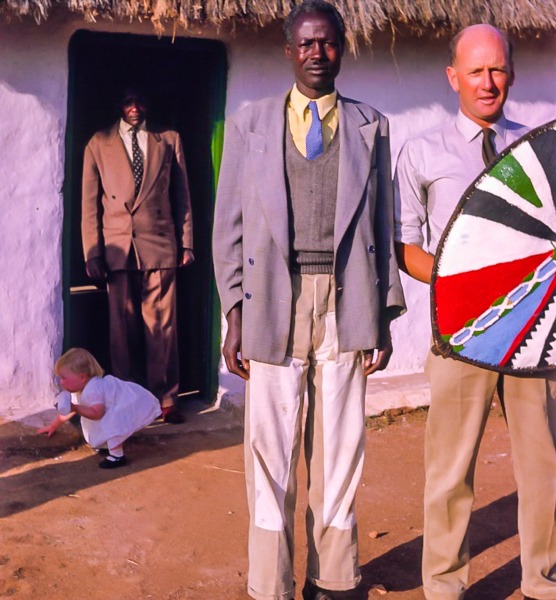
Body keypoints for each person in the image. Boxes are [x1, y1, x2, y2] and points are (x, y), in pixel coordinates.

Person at [212, 2, 405, 598]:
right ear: (289, 51)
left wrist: (384, 316)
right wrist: (234, 313)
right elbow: (230, 228)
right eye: (306, 44)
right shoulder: (252, 124)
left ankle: (335, 576)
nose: (317, 53)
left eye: (327, 43)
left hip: (346, 301)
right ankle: (272, 581)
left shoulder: (370, 125)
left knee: (342, 444)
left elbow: (382, 220)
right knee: (269, 447)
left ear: (343, 47)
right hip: (274, 297)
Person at [394, 24, 556, 600]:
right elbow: (405, 245)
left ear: (510, 74)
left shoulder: (540, 150)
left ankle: (543, 582)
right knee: (449, 470)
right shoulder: (423, 151)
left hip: (532, 335)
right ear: (452, 77)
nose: (487, 83)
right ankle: (443, 586)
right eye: (475, 71)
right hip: (461, 333)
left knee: (545, 468)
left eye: (498, 70)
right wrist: (464, 283)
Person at [81, 90, 194, 424]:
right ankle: (126, 397)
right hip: (117, 246)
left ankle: (166, 397)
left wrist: (186, 242)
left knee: (162, 325)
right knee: (121, 329)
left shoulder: (168, 139)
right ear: (118, 103)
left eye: (140, 101)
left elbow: (182, 195)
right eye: (127, 102)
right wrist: (92, 252)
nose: (134, 108)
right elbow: (89, 203)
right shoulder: (98, 143)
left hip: (159, 244)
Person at [38, 348, 161, 469]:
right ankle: (105, 445)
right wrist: (53, 426)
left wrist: (76, 408)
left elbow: (97, 414)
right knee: (103, 426)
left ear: (82, 377)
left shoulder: (93, 390)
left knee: (114, 427)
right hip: (111, 406)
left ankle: (117, 456)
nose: (61, 383)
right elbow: (69, 411)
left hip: (123, 404)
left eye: (64, 378)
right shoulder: (79, 390)